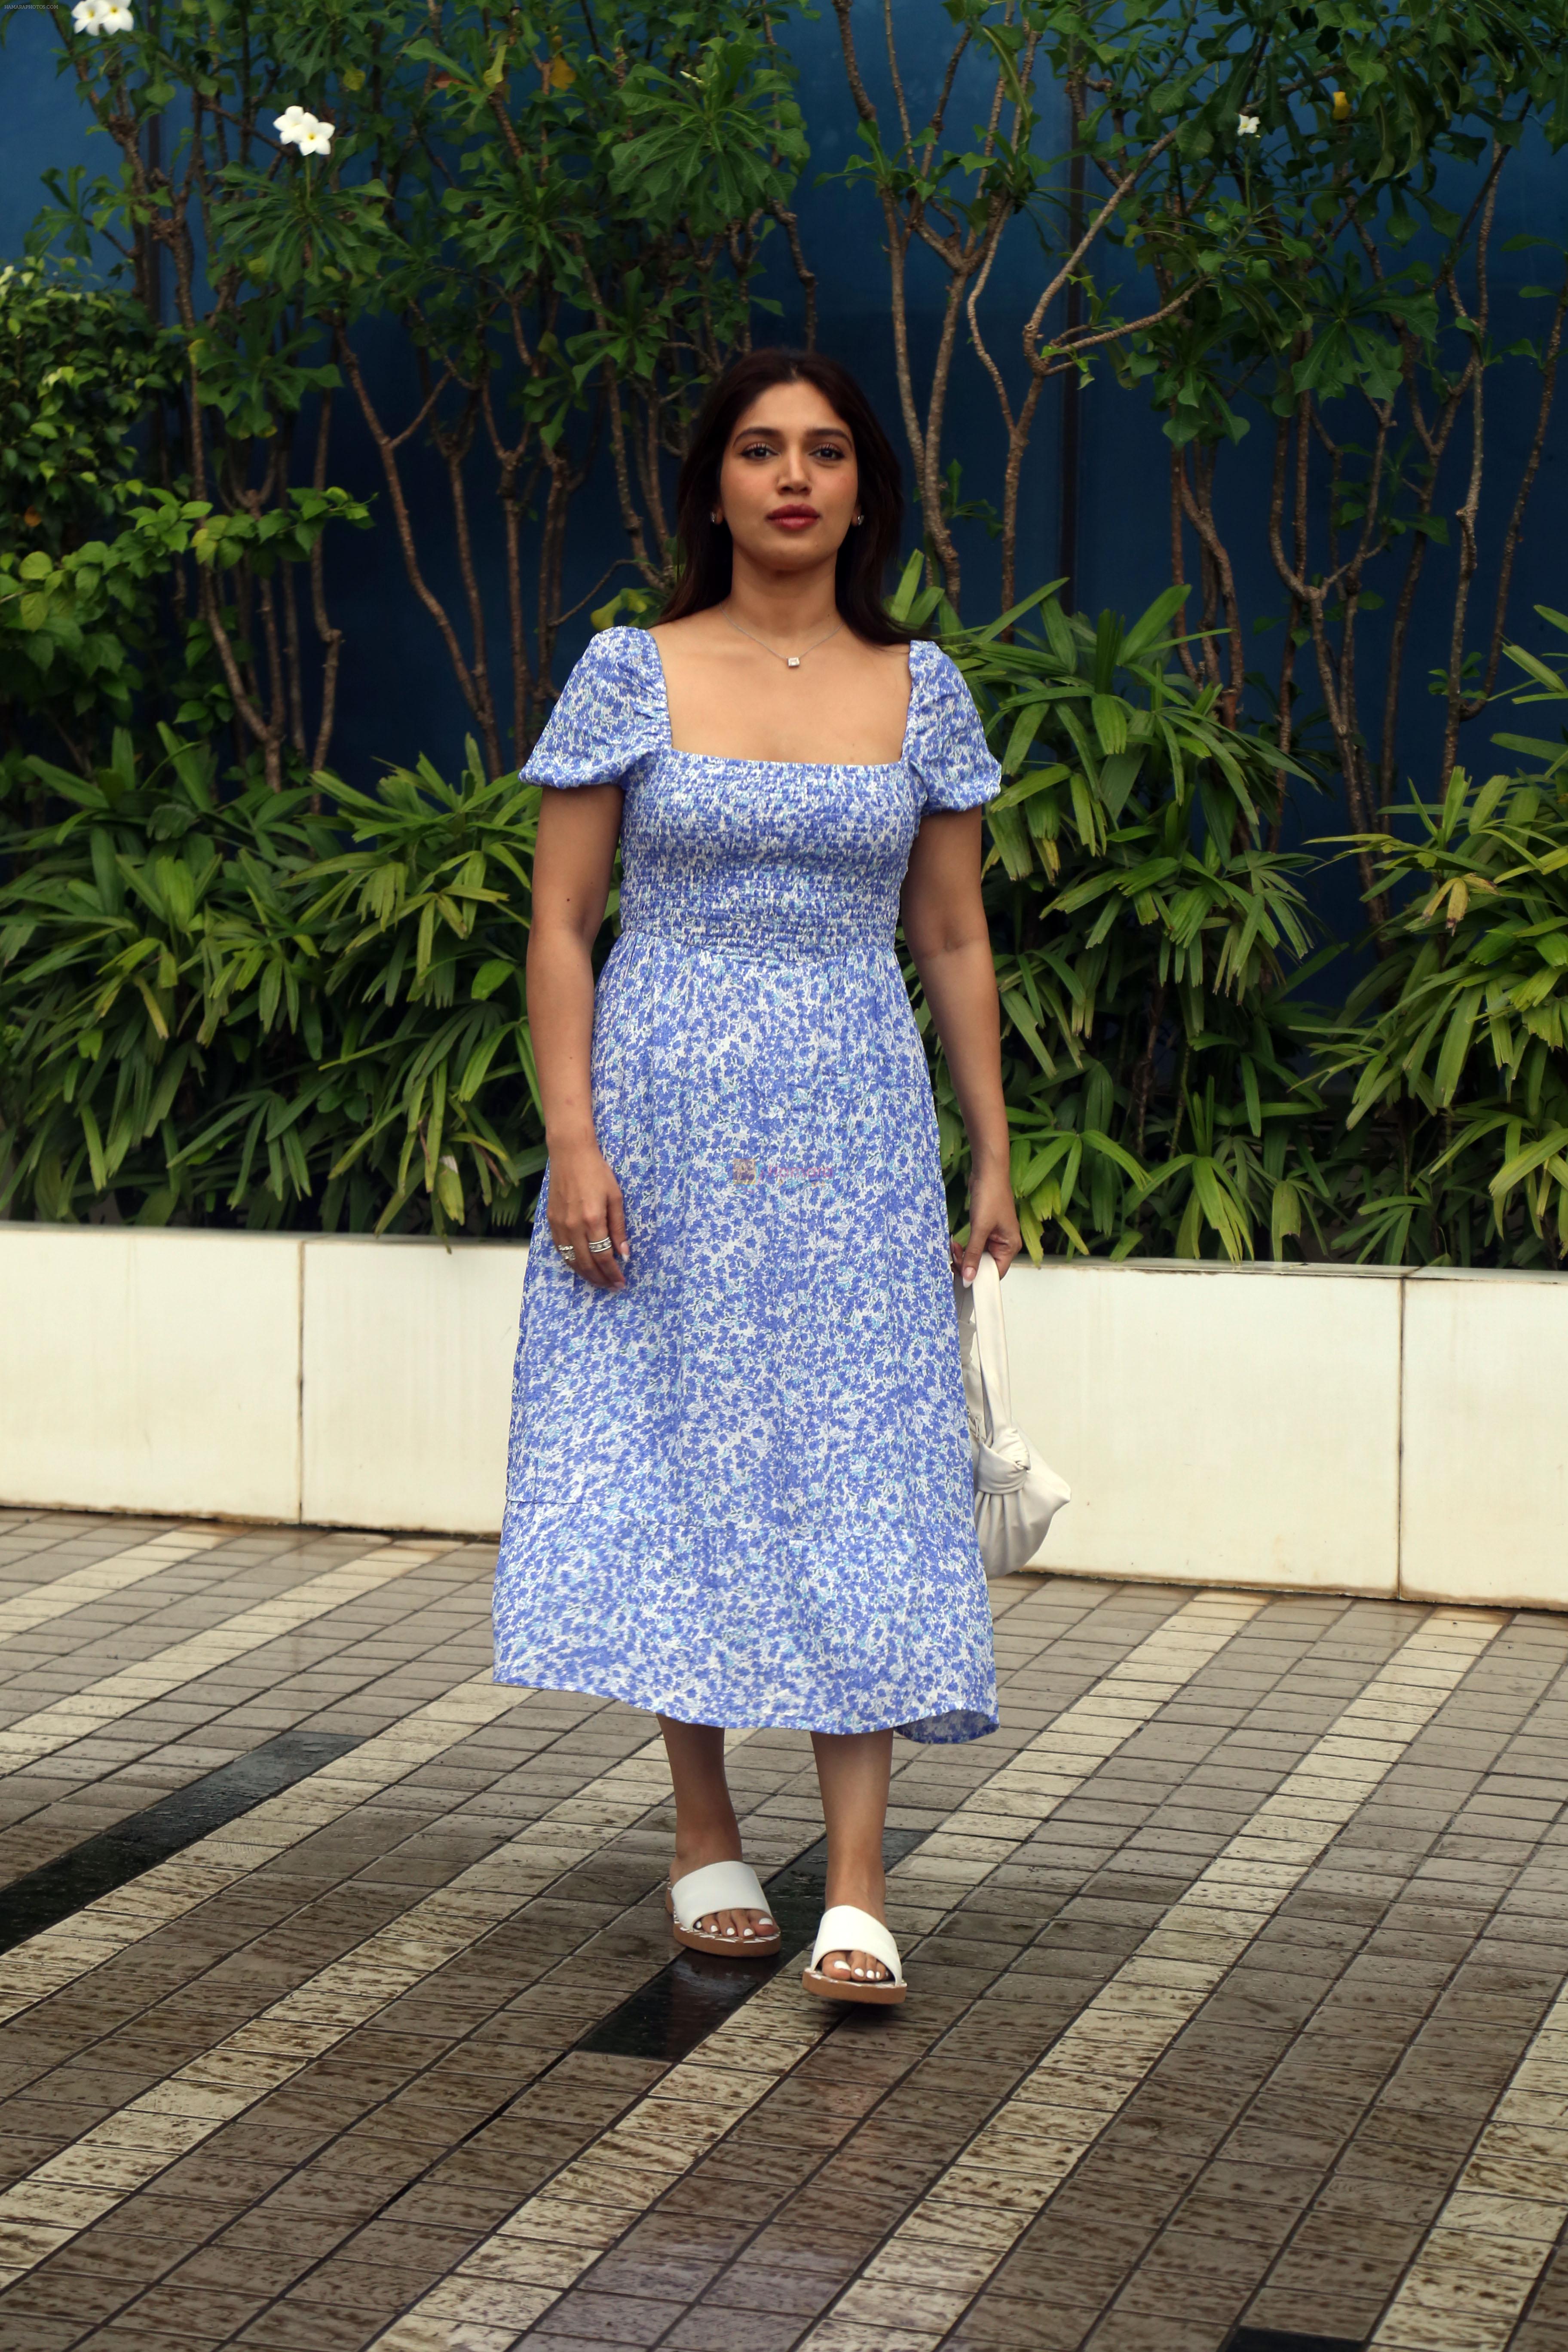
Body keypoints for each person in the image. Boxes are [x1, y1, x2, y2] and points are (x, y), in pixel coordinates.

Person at [494, 348, 1022, 2005]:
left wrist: (993, 1149)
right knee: (689, 1456)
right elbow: (564, 924)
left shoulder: (920, 685)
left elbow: (950, 929)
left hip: (855, 1130)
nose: (792, 478)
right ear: (711, 483)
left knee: (863, 1462)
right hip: (658, 1125)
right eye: (757, 450)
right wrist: (575, 1136)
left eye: (825, 453)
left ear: (866, 488)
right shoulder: (627, 673)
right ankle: (703, 1827)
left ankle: (858, 1881)